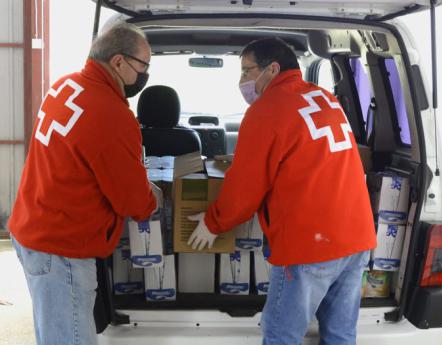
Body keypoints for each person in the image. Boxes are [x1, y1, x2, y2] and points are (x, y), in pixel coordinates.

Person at [187, 37, 377, 345]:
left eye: (246, 71)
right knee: (341, 335)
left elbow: (243, 189)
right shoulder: (323, 98)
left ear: (272, 69)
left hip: (310, 247)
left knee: (280, 336)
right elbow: (304, 158)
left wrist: (213, 223)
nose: (242, 81)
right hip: (356, 239)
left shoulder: (267, 110)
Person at [7, 23, 160, 345]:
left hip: (34, 230)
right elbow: (134, 203)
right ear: (118, 62)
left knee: (54, 332)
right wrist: (154, 200)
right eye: (143, 66)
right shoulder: (110, 114)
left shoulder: (66, 86)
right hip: (62, 247)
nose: (145, 75)